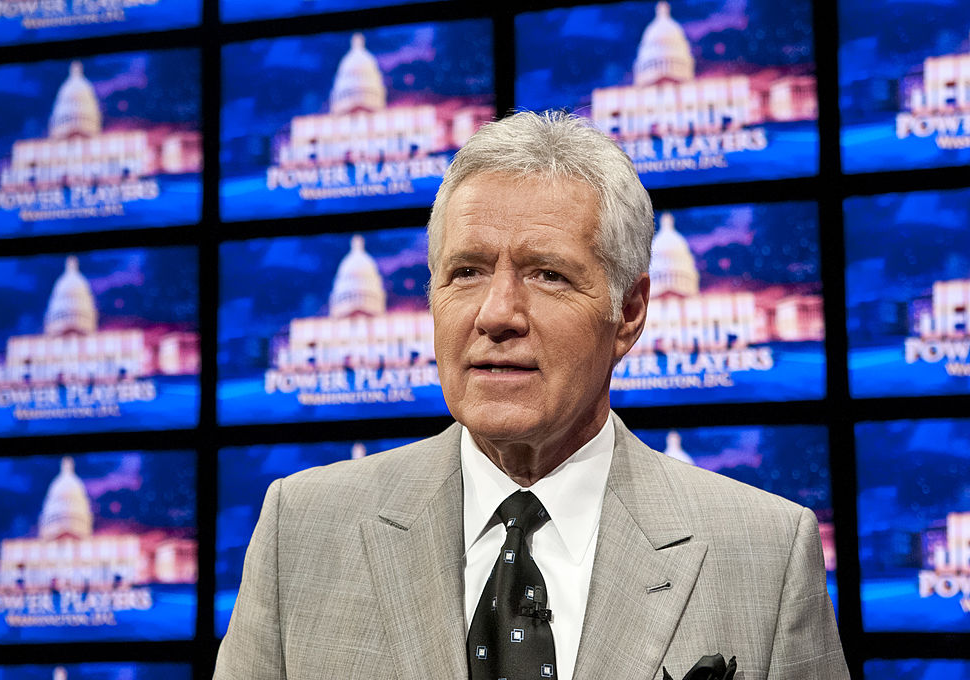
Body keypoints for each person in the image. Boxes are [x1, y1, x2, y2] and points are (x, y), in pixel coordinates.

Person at [213, 111, 849, 680]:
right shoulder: (301, 529)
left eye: (547, 274)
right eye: (466, 272)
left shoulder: (766, 553)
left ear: (628, 310)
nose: (497, 314)